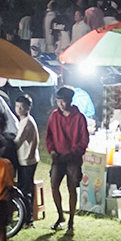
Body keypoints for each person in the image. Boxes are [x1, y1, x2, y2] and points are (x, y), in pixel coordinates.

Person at [45, 86, 90, 232]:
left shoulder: (79, 117)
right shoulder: (54, 116)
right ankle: (60, 215)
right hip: (58, 157)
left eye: (64, 101)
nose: (61, 104)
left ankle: (71, 219)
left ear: (70, 100)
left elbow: (84, 140)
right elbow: (49, 136)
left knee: (72, 188)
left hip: (73, 159)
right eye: (59, 101)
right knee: (54, 186)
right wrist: (52, 150)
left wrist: (72, 153)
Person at [12, 93, 40, 225]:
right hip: (28, 158)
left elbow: (18, 142)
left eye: (22, 107)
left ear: (28, 108)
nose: (19, 109)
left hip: (27, 160)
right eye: (17, 106)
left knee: (25, 189)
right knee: (25, 187)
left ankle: (27, 218)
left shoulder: (27, 123)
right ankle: (25, 215)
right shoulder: (24, 121)